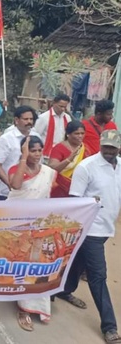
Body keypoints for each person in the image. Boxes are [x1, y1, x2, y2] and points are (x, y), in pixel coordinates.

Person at [57, 130, 121, 344]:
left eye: (113, 147)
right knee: (98, 275)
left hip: (106, 228)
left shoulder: (120, 166)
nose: (109, 151)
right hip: (90, 229)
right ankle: (110, 327)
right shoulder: (87, 167)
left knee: (78, 261)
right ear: (101, 145)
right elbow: (76, 199)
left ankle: (63, 290)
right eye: (106, 146)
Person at [7, 136, 56, 331]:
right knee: (15, 263)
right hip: (15, 224)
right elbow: (16, 186)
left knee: (35, 265)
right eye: (31, 150)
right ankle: (20, 304)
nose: (36, 154)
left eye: (38, 150)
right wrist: (23, 158)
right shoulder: (16, 169)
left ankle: (28, 307)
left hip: (39, 225)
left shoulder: (48, 172)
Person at [0, 106, 40, 200]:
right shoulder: (6, 139)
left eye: (31, 119)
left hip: (31, 190)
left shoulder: (36, 136)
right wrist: (9, 184)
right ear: (17, 120)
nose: (29, 122)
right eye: (25, 119)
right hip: (8, 192)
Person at [48, 121, 88, 198]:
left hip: (78, 188)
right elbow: (52, 168)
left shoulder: (85, 148)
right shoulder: (59, 148)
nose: (80, 136)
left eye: (82, 133)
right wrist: (69, 160)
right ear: (68, 134)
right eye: (76, 133)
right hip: (59, 188)